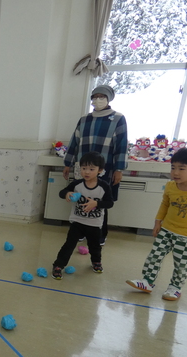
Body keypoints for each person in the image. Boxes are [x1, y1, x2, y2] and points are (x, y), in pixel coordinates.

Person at [126, 147, 187, 301]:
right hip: (166, 230)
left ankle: (175, 287)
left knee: (182, 264)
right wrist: (158, 222)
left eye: (181, 168)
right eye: (173, 167)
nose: (175, 172)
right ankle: (147, 282)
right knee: (154, 256)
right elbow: (165, 205)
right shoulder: (170, 186)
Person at [63, 85, 128, 245]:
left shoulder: (118, 118)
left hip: (104, 169)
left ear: (108, 98)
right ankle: (80, 231)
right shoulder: (84, 119)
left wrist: (119, 169)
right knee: (81, 197)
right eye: (95, 96)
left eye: (102, 96)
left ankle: (100, 234)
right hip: (83, 168)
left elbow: (121, 146)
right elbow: (74, 142)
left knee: (100, 200)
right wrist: (67, 163)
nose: (98, 99)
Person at [52, 152, 114, 279]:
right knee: (69, 245)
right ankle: (58, 265)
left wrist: (96, 203)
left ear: (100, 170)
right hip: (77, 222)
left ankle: (96, 262)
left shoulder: (104, 186)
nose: (86, 172)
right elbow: (62, 192)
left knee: (95, 246)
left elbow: (110, 203)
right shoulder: (77, 184)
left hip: (94, 224)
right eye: (84, 168)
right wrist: (67, 194)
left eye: (91, 169)